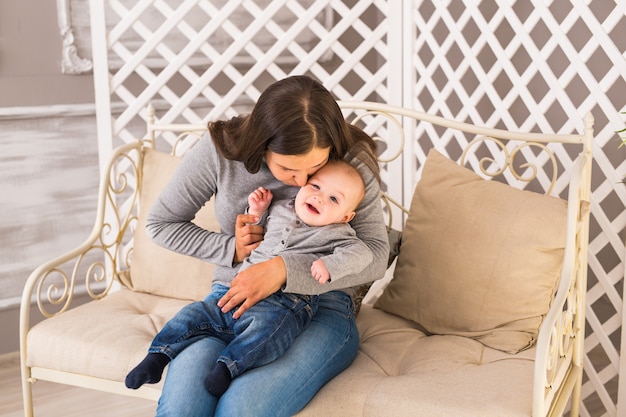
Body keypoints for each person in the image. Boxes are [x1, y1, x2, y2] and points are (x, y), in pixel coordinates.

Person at [145, 75, 389, 417]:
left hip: (321, 306)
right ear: (261, 144)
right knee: (183, 407)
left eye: (316, 167)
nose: (303, 183)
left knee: (241, 409)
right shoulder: (220, 152)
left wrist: (283, 270)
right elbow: (160, 224)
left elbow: (376, 255)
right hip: (231, 297)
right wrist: (233, 248)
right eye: (288, 168)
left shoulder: (350, 161)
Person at [125, 160, 372, 398]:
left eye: (333, 198)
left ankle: (227, 367)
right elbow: (257, 231)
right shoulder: (281, 206)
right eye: (316, 186)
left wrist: (330, 265)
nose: (319, 197)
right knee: (194, 314)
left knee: (270, 334)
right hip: (236, 290)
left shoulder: (340, 234)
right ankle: (157, 357)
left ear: (345, 217)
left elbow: (363, 254)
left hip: (284, 304)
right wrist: (256, 211)